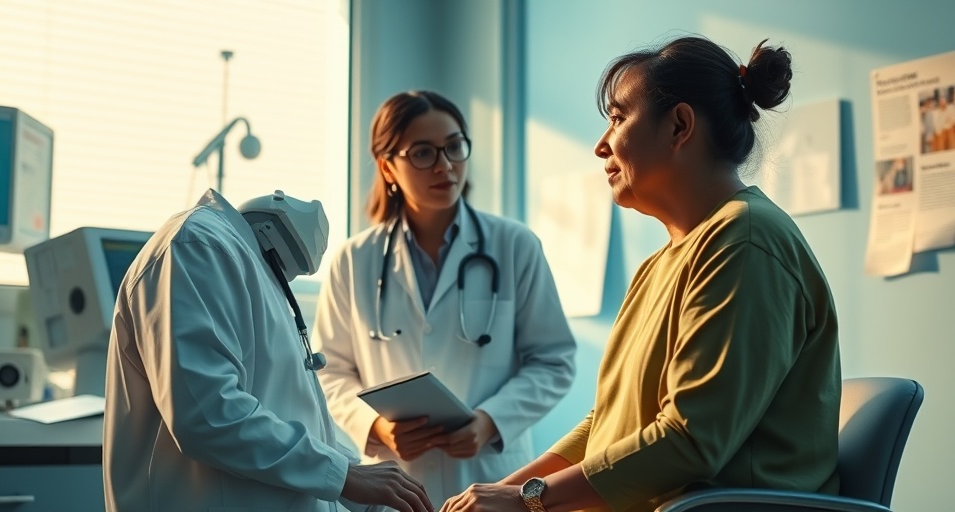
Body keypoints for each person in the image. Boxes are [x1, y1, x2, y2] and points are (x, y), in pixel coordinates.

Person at [441, 35, 841, 512]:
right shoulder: (664, 262)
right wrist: (505, 492)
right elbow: (608, 424)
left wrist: (529, 501)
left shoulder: (746, 241)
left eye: (617, 118)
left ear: (679, 126)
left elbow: (690, 440)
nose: (600, 145)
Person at [312, 90, 577, 507]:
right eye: (422, 152)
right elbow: (328, 370)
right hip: (395, 483)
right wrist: (376, 427)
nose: (445, 165)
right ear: (387, 167)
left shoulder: (515, 246)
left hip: (493, 476)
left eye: (454, 146)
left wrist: (490, 422)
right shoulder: (353, 260)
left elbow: (554, 360)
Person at [102, 188, 434, 512]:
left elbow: (288, 418)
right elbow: (207, 414)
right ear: (269, 235)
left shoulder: (242, 262)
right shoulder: (199, 245)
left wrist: (367, 488)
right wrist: (344, 475)